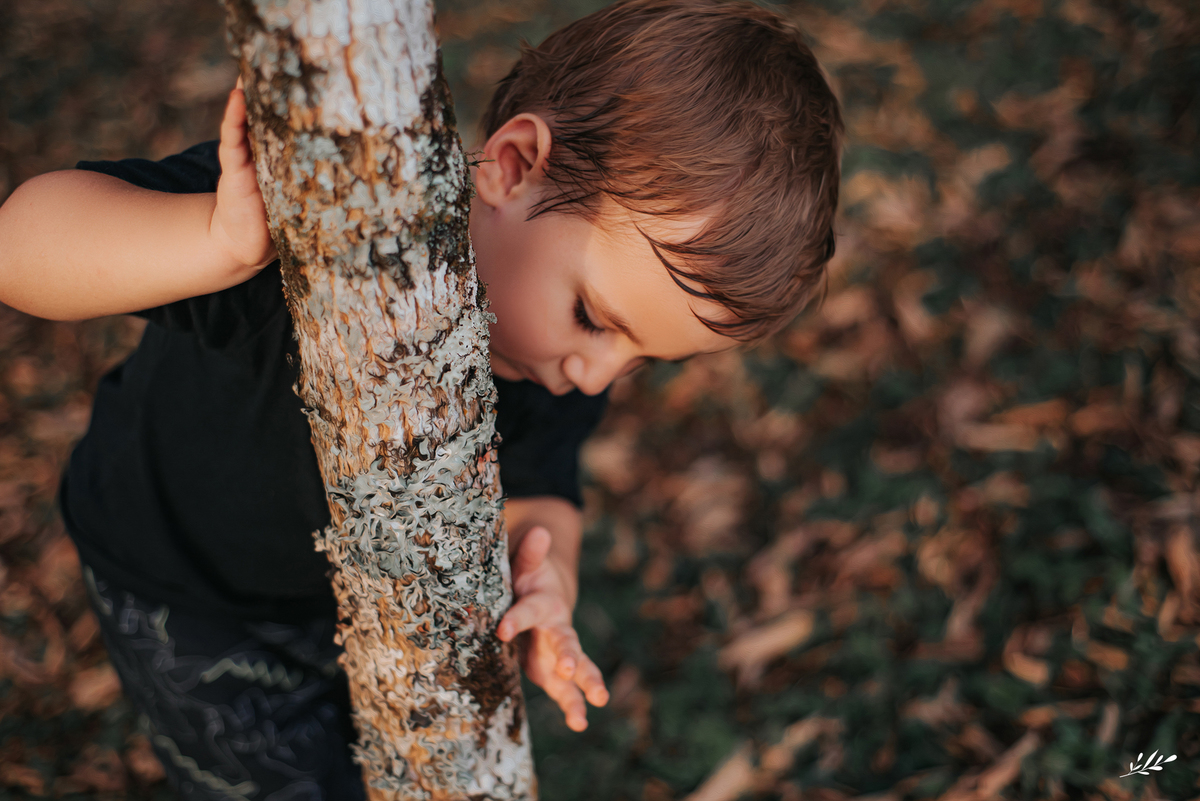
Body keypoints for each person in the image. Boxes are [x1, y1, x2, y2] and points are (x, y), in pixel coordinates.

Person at [0, 0, 842, 797]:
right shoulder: (316, 232)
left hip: (351, 609)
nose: (594, 374)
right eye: (592, 317)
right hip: (187, 589)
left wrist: (553, 584)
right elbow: (22, 243)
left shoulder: (550, 358)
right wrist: (213, 244)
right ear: (514, 168)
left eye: (642, 359)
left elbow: (546, 486)